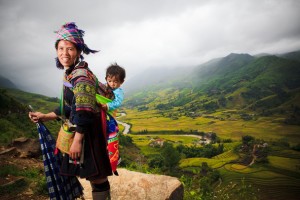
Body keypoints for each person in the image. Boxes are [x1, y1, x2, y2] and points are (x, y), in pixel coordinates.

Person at [28, 22, 112, 199]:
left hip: (88, 132)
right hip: (83, 130)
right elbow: (68, 107)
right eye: (60, 48)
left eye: (70, 49)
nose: (64, 53)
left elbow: (84, 111)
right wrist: (45, 116)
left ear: (79, 51)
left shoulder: (81, 76)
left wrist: (78, 141)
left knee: (97, 177)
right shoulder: (70, 73)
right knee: (92, 174)